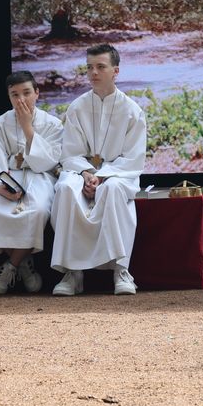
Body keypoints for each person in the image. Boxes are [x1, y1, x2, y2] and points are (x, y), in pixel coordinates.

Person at [51, 44, 147, 296]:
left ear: (115, 71)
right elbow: (70, 152)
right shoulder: (77, 107)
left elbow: (133, 159)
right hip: (82, 173)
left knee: (113, 189)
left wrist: (102, 176)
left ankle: (121, 270)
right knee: (65, 188)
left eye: (100, 67)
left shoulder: (132, 111)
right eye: (89, 67)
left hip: (118, 175)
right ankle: (72, 273)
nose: (93, 72)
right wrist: (86, 173)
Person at [0, 71, 63, 294]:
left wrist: (27, 127)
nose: (21, 100)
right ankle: (24, 264)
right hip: (9, 177)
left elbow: (48, 161)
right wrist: (1, 188)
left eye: (26, 93)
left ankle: (11, 267)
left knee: (38, 211)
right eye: (15, 95)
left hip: (39, 177)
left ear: (37, 93)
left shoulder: (52, 124)